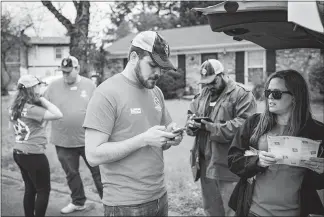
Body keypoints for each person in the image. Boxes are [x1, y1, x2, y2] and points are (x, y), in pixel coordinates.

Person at [83, 31, 184, 216]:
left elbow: (160, 139)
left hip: (160, 196)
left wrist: (171, 136)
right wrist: (144, 139)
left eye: (162, 68)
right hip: (125, 205)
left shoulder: (156, 92)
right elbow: (93, 155)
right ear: (133, 57)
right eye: (152, 65)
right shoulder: (106, 93)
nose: (158, 73)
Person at [228, 69, 324, 217]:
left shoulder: (316, 131)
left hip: (296, 212)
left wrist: (322, 170)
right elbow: (233, 160)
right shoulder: (254, 123)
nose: (270, 98)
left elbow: (318, 183)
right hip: (253, 210)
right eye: (268, 93)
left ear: (295, 97)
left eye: (277, 94)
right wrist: (257, 161)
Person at [185, 59, 257, 216]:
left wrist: (210, 127)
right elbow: (191, 115)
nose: (208, 86)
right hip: (204, 163)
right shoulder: (202, 94)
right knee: (211, 210)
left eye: (212, 81)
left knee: (233, 210)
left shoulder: (242, 94)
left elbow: (245, 126)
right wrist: (190, 126)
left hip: (228, 165)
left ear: (223, 75)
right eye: (205, 82)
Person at [44, 55, 103, 214]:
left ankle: (111, 204)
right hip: (62, 140)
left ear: (77, 69)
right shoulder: (53, 86)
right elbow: (42, 107)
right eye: (63, 72)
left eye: (68, 72)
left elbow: (100, 110)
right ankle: (78, 202)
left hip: (89, 140)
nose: (65, 75)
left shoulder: (89, 85)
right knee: (71, 174)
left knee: (100, 174)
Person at [9, 74, 63, 217]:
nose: (41, 87)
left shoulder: (15, 107)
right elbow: (58, 114)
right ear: (32, 88)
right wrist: (42, 99)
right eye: (38, 85)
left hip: (19, 152)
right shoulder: (31, 108)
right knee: (43, 190)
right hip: (33, 155)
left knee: (30, 189)